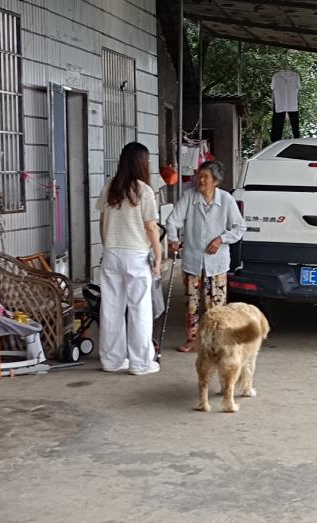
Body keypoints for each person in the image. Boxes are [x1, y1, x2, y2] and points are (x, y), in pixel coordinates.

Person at [166, 160, 247, 352]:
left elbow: (239, 227)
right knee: (192, 305)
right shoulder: (189, 196)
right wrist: (173, 239)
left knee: (216, 307)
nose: (200, 180)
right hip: (192, 261)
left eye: (205, 177)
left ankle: (217, 342)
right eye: (199, 176)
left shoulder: (226, 199)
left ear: (215, 181)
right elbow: (172, 221)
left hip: (217, 263)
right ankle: (192, 340)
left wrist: (221, 239)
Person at [96, 142, 162, 374]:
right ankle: (141, 363)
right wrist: (158, 254)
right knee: (139, 309)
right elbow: (151, 227)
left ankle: (111, 360)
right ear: (141, 163)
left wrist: (108, 245)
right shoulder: (144, 191)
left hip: (111, 253)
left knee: (111, 308)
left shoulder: (110, 187)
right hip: (136, 255)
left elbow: (102, 222)